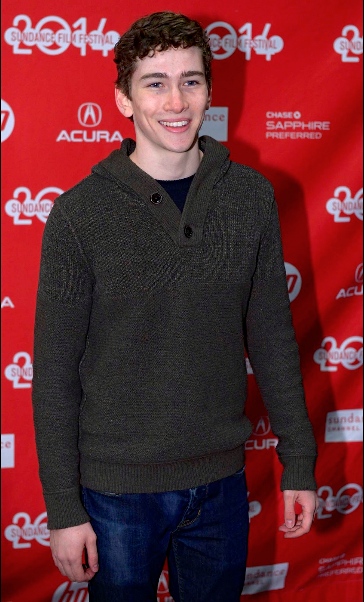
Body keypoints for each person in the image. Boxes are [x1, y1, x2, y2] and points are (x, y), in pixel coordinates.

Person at [32, 11, 318, 602]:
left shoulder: (251, 197)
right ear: (122, 99)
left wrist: (299, 462)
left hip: (221, 483)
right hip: (115, 494)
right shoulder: (79, 215)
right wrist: (63, 507)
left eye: (190, 80)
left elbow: (272, 337)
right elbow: (55, 373)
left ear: (210, 90)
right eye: (154, 82)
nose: (176, 100)